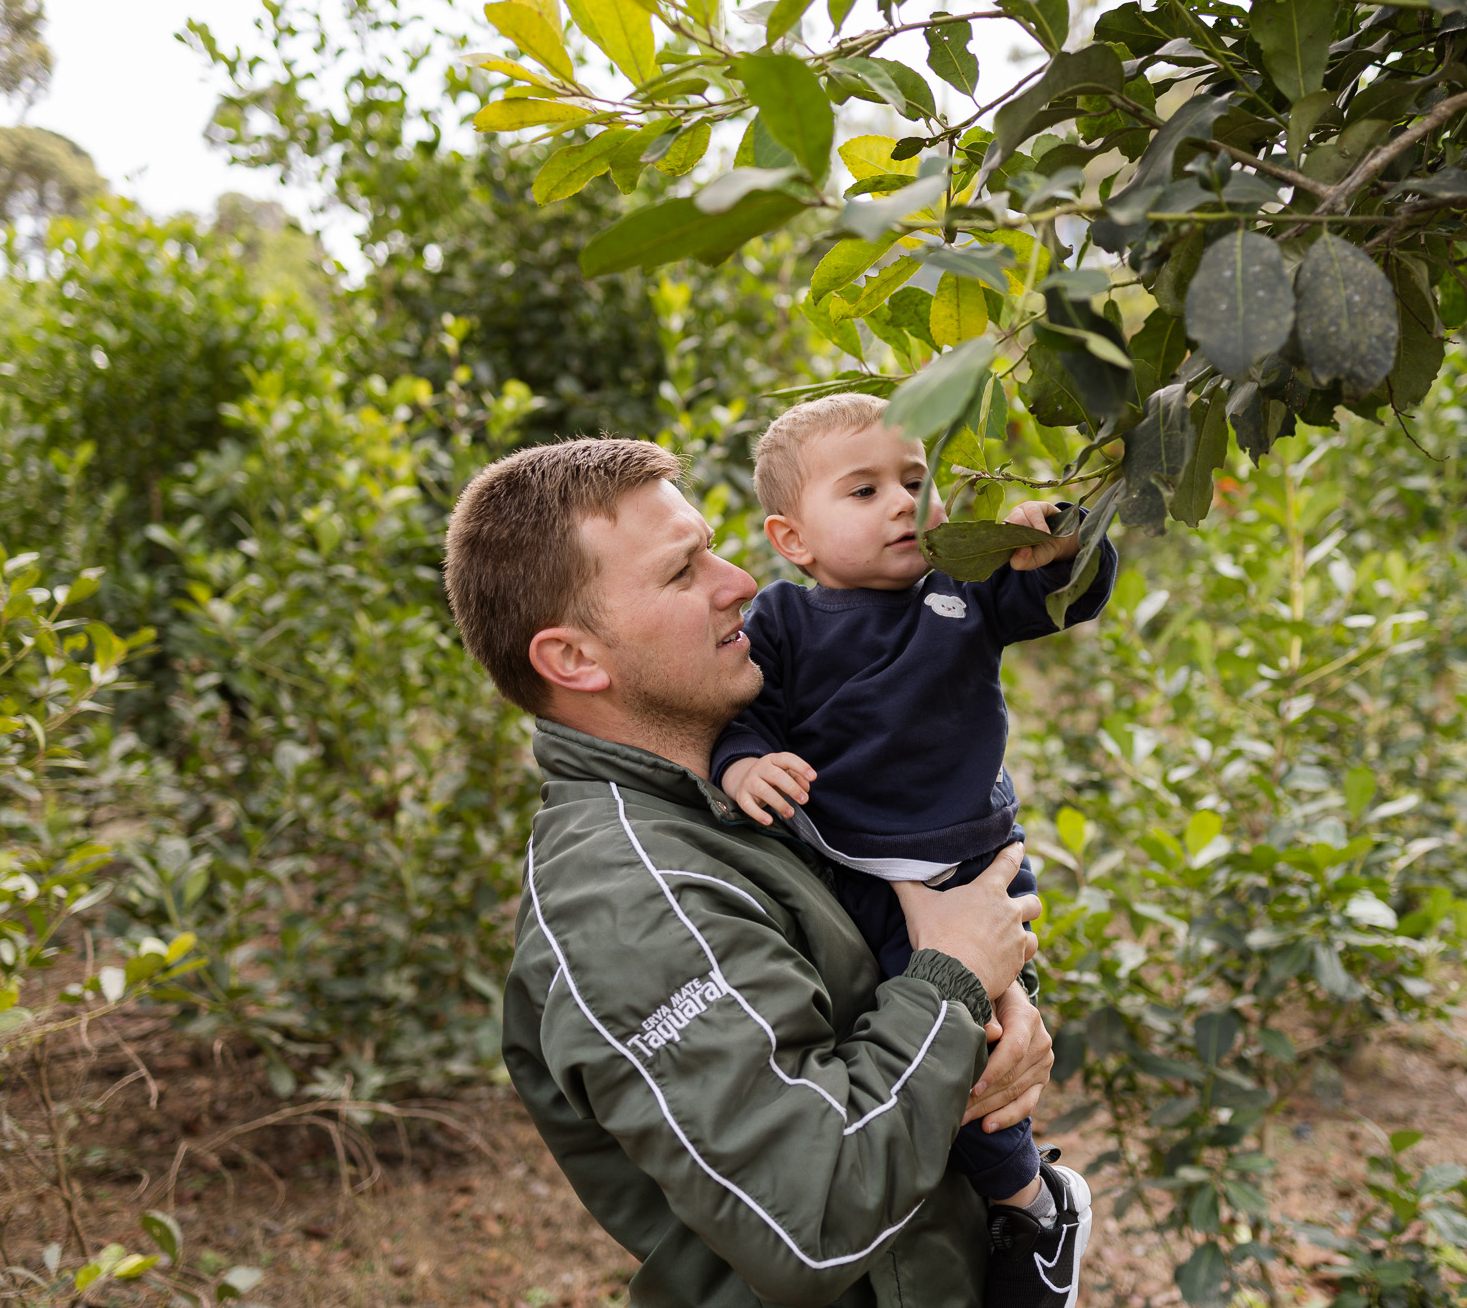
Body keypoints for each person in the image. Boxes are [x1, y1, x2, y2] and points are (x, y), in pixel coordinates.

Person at [443, 437, 1057, 1308]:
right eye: (683, 570)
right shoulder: (629, 899)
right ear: (574, 658)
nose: (738, 582)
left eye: (715, 548)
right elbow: (811, 1219)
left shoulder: (733, 798)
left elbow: (878, 989)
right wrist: (954, 985)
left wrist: (996, 1013)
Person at [710, 394, 1114, 1306]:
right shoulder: (782, 622)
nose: (903, 503)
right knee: (891, 1050)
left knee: (977, 1049)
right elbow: (748, 721)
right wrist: (745, 766)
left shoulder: (960, 593)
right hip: (854, 872)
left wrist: (1058, 537)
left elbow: (1065, 588)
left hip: (973, 870)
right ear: (792, 537)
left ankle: (1035, 1212)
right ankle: (968, 1210)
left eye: (915, 482)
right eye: (864, 490)